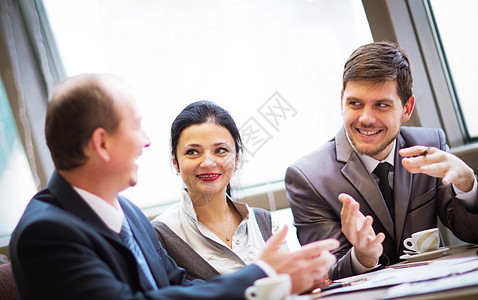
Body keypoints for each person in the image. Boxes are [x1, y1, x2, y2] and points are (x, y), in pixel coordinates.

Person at [9, 73, 339, 299]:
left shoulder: (126, 211)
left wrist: (276, 282)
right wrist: (262, 274)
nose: (147, 141)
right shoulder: (46, 233)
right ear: (102, 143)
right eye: (136, 127)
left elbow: (177, 284)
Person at [285, 41, 478, 280]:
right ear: (342, 101)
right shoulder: (308, 177)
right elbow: (324, 273)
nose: (366, 118)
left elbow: (472, 233)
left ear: (406, 109)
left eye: (381, 105)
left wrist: (467, 184)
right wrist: (362, 257)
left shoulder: (430, 145)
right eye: (355, 103)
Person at [152, 101, 289, 281]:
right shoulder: (160, 235)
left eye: (221, 150)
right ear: (175, 163)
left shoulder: (264, 223)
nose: (208, 162)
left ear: (237, 159)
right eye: (193, 152)